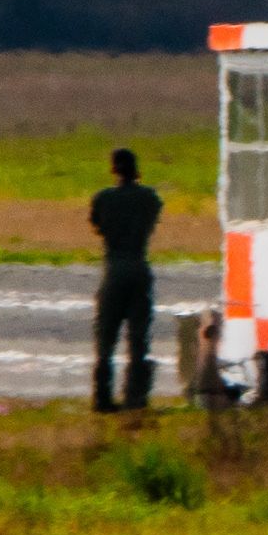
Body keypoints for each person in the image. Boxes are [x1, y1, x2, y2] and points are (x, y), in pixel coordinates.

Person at [88, 147, 162, 412]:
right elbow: (153, 219)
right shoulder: (149, 198)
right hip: (139, 267)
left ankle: (102, 398)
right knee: (138, 338)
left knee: (106, 338)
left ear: (114, 170)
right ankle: (135, 397)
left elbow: (97, 225)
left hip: (114, 269)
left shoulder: (103, 199)